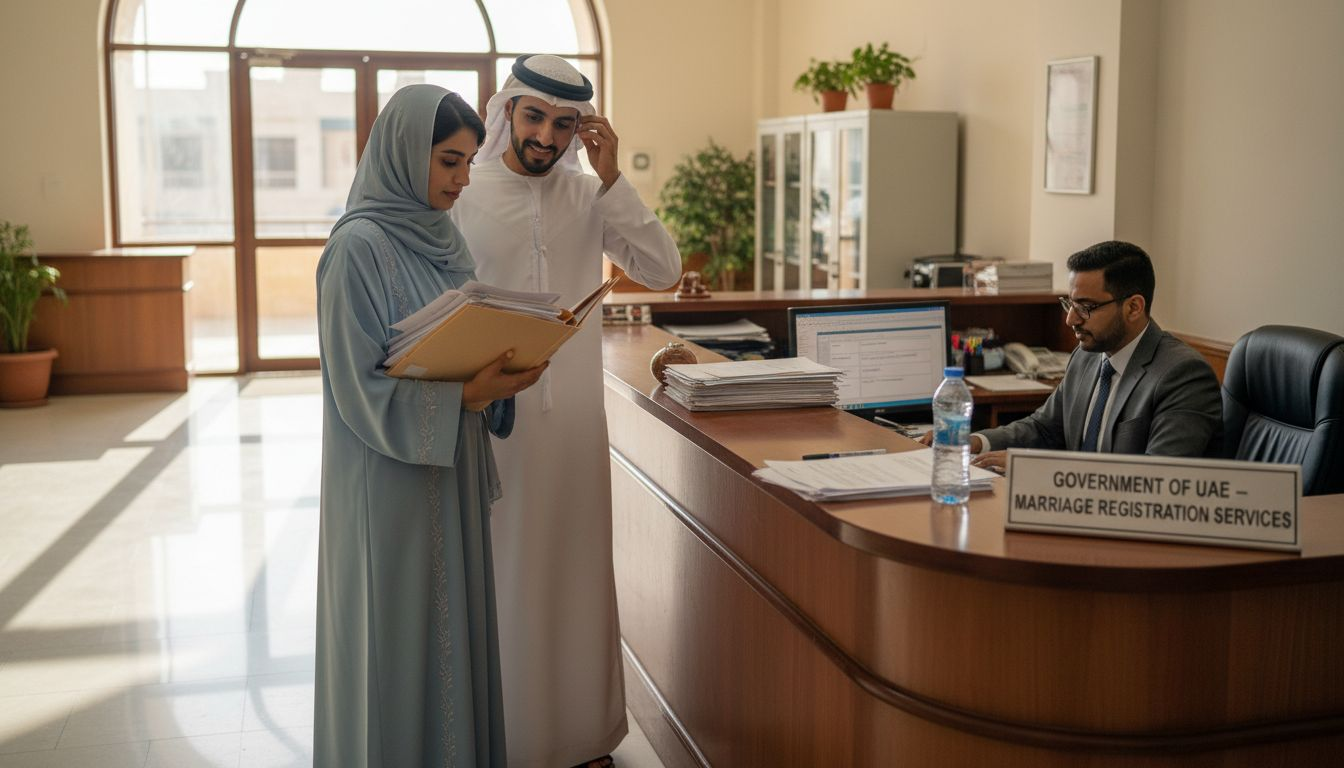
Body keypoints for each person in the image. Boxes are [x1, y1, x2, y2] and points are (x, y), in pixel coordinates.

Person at [450, 54, 682, 768]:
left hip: (576, 423)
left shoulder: (591, 196)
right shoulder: (464, 192)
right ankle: (506, 741)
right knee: (504, 579)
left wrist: (612, 180)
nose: (547, 136)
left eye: (564, 123)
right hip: (491, 423)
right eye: (535, 117)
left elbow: (664, 271)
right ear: (507, 113)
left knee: (577, 574)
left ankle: (581, 739)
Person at [314, 84, 547, 768]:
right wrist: (463, 398)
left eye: (470, 161)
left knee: (453, 640)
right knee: (396, 643)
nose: (461, 179)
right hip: (387, 487)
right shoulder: (354, 250)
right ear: (402, 153)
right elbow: (355, 388)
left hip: (452, 471)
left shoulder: (446, 239)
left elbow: (462, 341)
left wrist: (502, 374)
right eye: (448, 160)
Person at [922, 240, 1222, 470]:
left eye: (1086, 307)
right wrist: (975, 441)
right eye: (1070, 304)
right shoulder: (1087, 355)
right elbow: (1044, 428)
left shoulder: (1182, 375)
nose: (1071, 320)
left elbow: (1159, 476)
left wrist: (1036, 469)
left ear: (1134, 307)